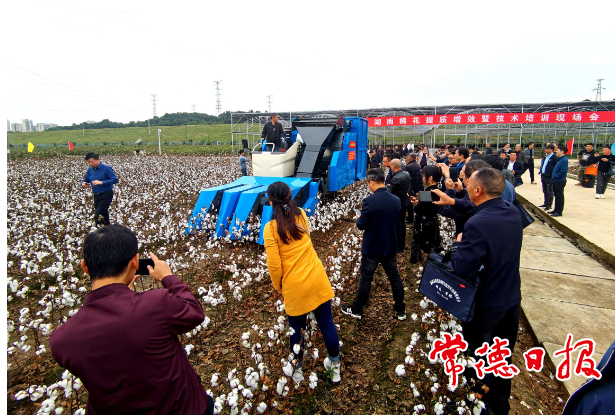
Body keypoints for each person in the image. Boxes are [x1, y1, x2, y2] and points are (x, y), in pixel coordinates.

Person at [50, 225, 212, 415]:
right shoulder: (157, 304)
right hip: (185, 408)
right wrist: (168, 278)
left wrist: (125, 299)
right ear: (135, 262)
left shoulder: (61, 341)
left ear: (85, 267)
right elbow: (194, 312)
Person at [451, 168, 523, 415]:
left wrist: (459, 245)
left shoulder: (477, 223)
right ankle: (500, 404)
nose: (465, 184)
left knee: (478, 357)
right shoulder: (512, 212)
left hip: (486, 303)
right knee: (503, 355)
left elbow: (463, 268)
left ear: (478, 190)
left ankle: (476, 405)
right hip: (511, 299)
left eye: (468, 182)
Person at [263, 181, 341, 383]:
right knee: (327, 324)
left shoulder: (270, 228)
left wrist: (277, 286)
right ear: (289, 197)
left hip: (295, 286)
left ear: (271, 202)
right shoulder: (301, 215)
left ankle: (297, 370)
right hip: (316, 277)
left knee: (296, 331)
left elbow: (274, 265)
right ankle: (335, 368)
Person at [342, 168, 406, 321]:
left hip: (372, 247)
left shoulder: (369, 201)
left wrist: (359, 217)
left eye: (368, 184)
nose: (368, 186)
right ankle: (400, 310)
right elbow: (398, 223)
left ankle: (357, 309)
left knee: (366, 279)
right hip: (389, 245)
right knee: (394, 278)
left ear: (371, 182)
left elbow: (362, 225)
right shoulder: (395, 200)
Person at [409, 165, 442, 264]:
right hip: (433, 223)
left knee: (426, 250)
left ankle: (426, 267)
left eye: (424, 176)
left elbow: (418, 209)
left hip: (425, 225)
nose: (422, 178)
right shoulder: (439, 190)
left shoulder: (427, 192)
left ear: (430, 178)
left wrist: (416, 205)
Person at [81, 152, 119, 227]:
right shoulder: (90, 170)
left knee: (98, 216)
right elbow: (86, 179)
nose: (90, 164)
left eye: (91, 162)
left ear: (98, 160)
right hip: (96, 195)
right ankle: (108, 229)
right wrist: (83, 183)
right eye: (88, 162)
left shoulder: (106, 168)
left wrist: (101, 182)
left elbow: (115, 180)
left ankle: (100, 231)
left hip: (106, 194)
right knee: (104, 214)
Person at [388, 159, 411, 251]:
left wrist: (387, 188)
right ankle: (402, 244)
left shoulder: (396, 178)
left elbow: (390, 192)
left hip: (398, 203)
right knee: (402, 224)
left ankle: (398, 246)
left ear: (393, 166)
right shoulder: (406, 174)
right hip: (405, 202)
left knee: (397, 225)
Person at [549, 147, 568, 217]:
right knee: (556, 195)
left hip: (559, 181)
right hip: (556, 180)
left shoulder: (564, 160)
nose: (556, 151)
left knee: (560, 196)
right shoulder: (560, 159)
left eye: (557, 150)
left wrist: (556, 176)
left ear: (562, 152)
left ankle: (559, 211)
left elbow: (563, 171)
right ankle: (556, 209)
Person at [405, 153, 423, 223]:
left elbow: (408, 178)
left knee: (410, 202)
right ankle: (418, 216)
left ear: (410, 158)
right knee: (418, 201)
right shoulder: (418, 165)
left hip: (412, 186)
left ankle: (410, 217)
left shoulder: (409, 167)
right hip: (419, 186)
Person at [539, 144, 558, 210]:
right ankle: (545, 203)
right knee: (545, 190)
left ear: (551, 150)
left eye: (547, 148)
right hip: (544, 175)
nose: (545, 150)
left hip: (549, 176)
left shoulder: (554, 158)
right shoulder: (545, 157)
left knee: (549, 191)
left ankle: (549, 205)